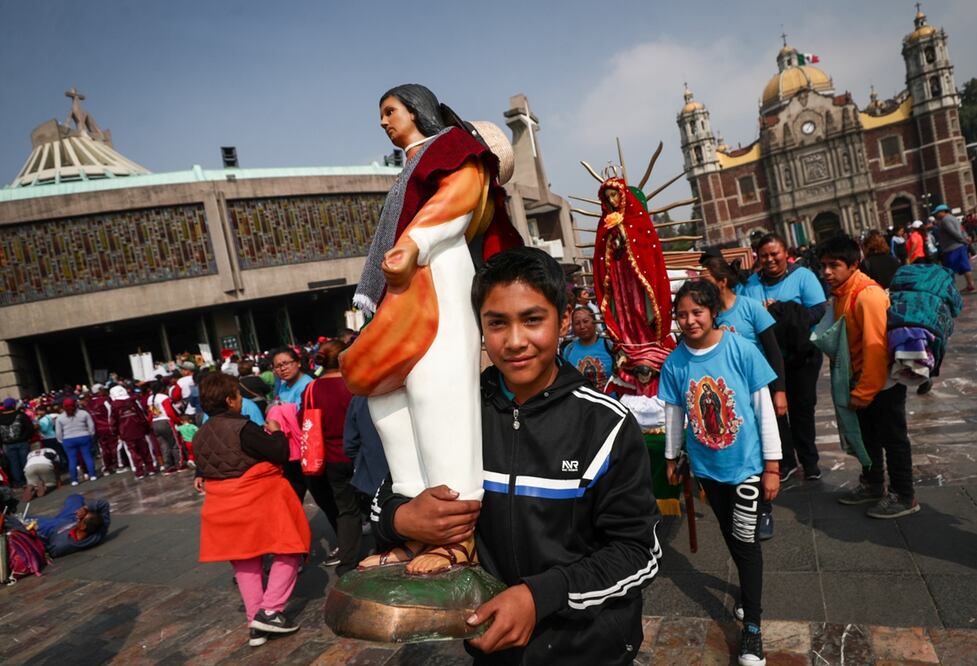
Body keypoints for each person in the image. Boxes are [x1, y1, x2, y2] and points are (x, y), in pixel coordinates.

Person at [372, 246, 660, 663]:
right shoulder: (455, 411)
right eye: (497, 323)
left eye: (532, 319)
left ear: (562, 320)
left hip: (589, 647)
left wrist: (538, 596)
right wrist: (403, 518)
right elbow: (385, 497)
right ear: (480, 329)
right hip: (490, 646)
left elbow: (639, 552)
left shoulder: (605, 425)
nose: (515, 341)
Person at [341, 84, 521, 575]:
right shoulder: (415, 163)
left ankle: (457, 538)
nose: (383, 121)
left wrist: (415, 244)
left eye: (390, 110)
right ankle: (419, 530)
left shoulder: (452, 152)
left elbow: (457, 195)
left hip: (436, 280)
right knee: (388, 403)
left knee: (438, 401)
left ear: (418, 110)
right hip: (405, 294)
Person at [661, 280, 781, 666]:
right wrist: (671, 456)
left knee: (745, 543)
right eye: (682, 314)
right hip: (707, 469)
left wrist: (773, 466)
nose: (689, 320)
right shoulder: (675, 361)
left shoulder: (741, 349)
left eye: (697, 312)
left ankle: (753, 630)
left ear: (713, 311)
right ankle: (749, 597)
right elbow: (675, 414)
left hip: (746, 466)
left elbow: (763, 409)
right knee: (731, 534)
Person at [193, 372, 310, 648]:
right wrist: (277, 432)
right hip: (256, 500)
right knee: (289, 548)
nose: (240, 399)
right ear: (230, 400)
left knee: (245, 560)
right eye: (237, 394)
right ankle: (270, 610)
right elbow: (279, 453)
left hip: (222, 506)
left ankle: (255, 623)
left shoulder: (199, 436)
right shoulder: (242, 428)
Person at [818, 236, 919, 518]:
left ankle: (904, 495)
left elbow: (876, 350)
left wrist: (864, 392)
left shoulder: (867, 295)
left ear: (854, 264)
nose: (826, 272)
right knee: (868, 438)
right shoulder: (841, 293)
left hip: (881, 383)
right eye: (823, 265)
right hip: (859, 379)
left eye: (834, 265)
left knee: (893, 439)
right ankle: (873, 484)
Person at [700, 255, 787, 541]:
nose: (701, 284)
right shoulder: (709, 317)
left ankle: (763, 509)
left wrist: (779, 391)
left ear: (722, 281)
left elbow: (773, 352)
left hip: (756, 392)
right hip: (725, 400)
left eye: (706, 279)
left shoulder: (749, 308)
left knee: (762, 451)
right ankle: (742, 504)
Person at [740, 233, 827, 482]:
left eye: (774, 254)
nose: (770, 260)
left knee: (802, 407)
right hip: (767, 357)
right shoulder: (751, 284)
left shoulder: (803, 276)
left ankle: (810, 461)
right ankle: (785, 460)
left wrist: (786, 314)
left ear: (785, 252)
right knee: (774, 412)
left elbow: (819, 309)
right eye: (764, 255)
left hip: (801, 356)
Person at [302, 341, 360, 576]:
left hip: (331, 458)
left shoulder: (312, 389)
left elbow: (303, 421)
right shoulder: (354, 383)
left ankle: (348, 561)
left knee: (346, 509)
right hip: (359, 454)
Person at [26, 493, 111, 557]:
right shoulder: (99, 530)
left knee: (27, 521)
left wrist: (35, 533)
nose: (79, 515)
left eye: (81, 518)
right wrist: (84, 509)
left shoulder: (62, 544)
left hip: (54, 528)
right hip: (70, 520)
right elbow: (103, 504)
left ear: (83, 526)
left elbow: (45, 550)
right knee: (75, 498)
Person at [561, 306, 614, 390]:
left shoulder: (609, 344)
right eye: (577, 323)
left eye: (586, 321)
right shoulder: (569, 349)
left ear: (595, 322)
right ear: (573, 327)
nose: (582, 326)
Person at [109, 385, 154, 479]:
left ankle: (140, 472)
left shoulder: (114, 405)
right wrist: (146, 427)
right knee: (145, 450)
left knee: (133, 453)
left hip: (125, 432)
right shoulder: (133, 401)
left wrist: (115, 432)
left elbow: (113, 421)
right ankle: (150, 469)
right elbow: (141, 415)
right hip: (139, 429)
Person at [933, 203, 976, 292]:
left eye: (937, 213)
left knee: (950, 269)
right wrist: (966, 238)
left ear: (943, 212)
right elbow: (961, 230)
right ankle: (970, 285)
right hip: (959, 246)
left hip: (952, 248)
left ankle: (952, 290)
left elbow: (953, 233)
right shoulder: (953, 218)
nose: (936, 215)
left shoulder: (945, 220)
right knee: (965, 266)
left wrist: (963, 240)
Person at [55, 398, 97, 486]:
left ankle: (74, 480)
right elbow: (91, 426)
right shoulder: (83, 413)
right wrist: (91, 435)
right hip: (84, 437)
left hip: (68, 440)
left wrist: (61, 440)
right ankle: (92, 475)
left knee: (72, 460)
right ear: (75, 404)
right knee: (87, 457)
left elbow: (58, 432)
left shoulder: (60, 417)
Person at [148, 382, 185, 474]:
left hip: (155, 422)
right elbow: (169, 412)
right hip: (166, 422)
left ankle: (168, 466)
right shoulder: (164, 397)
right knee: (175, 444)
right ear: (162, 388)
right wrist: (178, 421)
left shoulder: (150, 398)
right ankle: (180, 464)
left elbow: (151, 413)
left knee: (163, 445)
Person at [0, 397, 34, 487]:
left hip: (7, 444)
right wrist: (27, 437)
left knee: (13, 463)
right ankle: (29, 479)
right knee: (25, 461)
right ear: (14, 405)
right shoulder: (21, 415)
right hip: (22, 442)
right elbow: (30, 428)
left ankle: (18, 482)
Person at [87, 384, 120, 474]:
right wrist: (114, 425)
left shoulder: (89, 404)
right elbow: (111, 413)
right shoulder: (105, 400)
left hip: (98, 430)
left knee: (104, 449)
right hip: (108, 428)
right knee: (114, 447)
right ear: (100, 390)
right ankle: (116, 465)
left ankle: (107, 468)